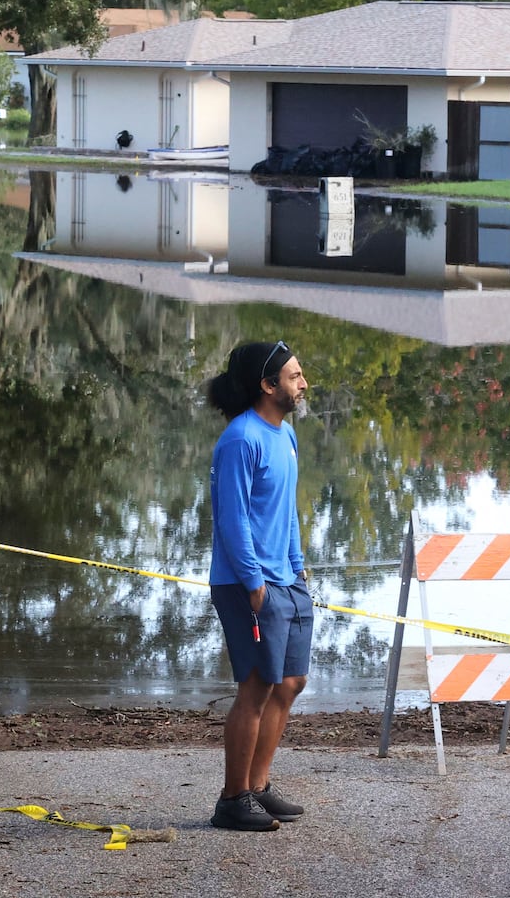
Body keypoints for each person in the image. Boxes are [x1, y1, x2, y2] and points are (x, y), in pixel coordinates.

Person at [203, 340, 313, 832]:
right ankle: (232, 799)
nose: (303, 383)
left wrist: (298, 567)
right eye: (293, 376)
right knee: (255, 688)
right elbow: (233, 519)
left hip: (287, 579)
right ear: (268, 386)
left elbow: (285, 510)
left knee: (290, 682)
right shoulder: (240, 439)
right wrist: (254, 583)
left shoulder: (285, 435)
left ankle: (259, 787)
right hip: (247, 584)